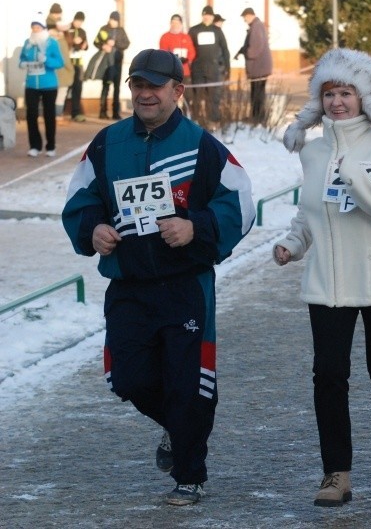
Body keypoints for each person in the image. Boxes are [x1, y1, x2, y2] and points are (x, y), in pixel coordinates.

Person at [61, 49, 255, 506]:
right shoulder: (107, 144)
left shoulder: (202, 146)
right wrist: (95, 229)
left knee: (189, 385)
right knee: (128, 380)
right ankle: (176, 426)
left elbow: (241, 203)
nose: (145, 94)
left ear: (177, 90)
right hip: (128, 285)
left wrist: (196, 227)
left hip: (185, 286)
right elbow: (79, 199)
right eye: (137, 86)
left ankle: (190, 475)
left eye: (155, 86)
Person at [276, 48, 371, 507]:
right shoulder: (314, 152)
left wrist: (358, 177)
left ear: (366, 99)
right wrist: (294, 244)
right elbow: (310, 213)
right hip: (328, 285)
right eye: (330, 93)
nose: (338, 102)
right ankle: (336, 472)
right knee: (329, 376)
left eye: (347, 93)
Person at [19, 13, 64, 157]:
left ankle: (50, 146)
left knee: (48, 115)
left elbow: (60, 62)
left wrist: (46, 60)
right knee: (31, 114)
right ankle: (35, 146)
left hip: (49, 85)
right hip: (31, 84)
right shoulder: (28, 43)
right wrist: (23, 63)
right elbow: (21, 59)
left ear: (43, 27)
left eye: (37, 27)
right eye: (33, 27)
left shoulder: (52, 43)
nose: (35, 29)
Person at [188, 5, 230, 129]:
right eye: (205, 15)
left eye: (209, 15)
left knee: (213, 96)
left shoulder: (217, 31)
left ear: (212, 17)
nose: (207, 17)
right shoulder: (194, 30)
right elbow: (187, 47)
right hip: (197, 69)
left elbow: (225, 49)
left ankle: (213, 122)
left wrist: (227, 68)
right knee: (197, 96)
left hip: (213, 69)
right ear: (202, 16)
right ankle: (195, 122)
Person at [236, 7, 273, 122]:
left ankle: (258, 117)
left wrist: (246, 52)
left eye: (245, 18)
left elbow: (254, 50)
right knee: (257, 93)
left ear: (250, 15)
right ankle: (257, 116)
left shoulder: (256, 27)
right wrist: (241, 51)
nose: (244, 20)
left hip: (259, 69)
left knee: (257, 95)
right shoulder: (256, 26)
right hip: (259, 68)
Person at [93, 11, 130, 119]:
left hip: (117, 63)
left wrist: (116, 44)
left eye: (114, 20)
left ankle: (115, 112)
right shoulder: (104, 29)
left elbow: (126, 43)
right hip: (106, 63)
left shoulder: (121, 30)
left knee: (117, 87)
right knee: (106, 86)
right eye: (111, 19)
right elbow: (96, 42)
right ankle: (102, 111)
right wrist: (103, 46)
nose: (112, 22)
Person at [65, 11, 89, 122]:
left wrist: (84, 45)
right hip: (68, 62)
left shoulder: (82, 31)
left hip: (78, 62)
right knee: (66, 87)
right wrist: (72, 41)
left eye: (81, 21)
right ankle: (61, 112)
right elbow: (63, 44)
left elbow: (86, 44)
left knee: (77, 88)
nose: (79, 23)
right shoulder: (67, 29)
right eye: (78, 21)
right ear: (74, 19)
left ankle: (75, 113)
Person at [159, 14, 196, 83]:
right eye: (173, 23)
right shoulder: (165, 37)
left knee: (187, 92)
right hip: (171, 73)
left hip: (185, 72)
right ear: (170, 24)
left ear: (181, 24)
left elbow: (192, 52)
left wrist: (187, 59)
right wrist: (175, 60)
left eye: (177, 23)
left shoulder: (186, 37)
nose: (175, 25)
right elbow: (163, 54)